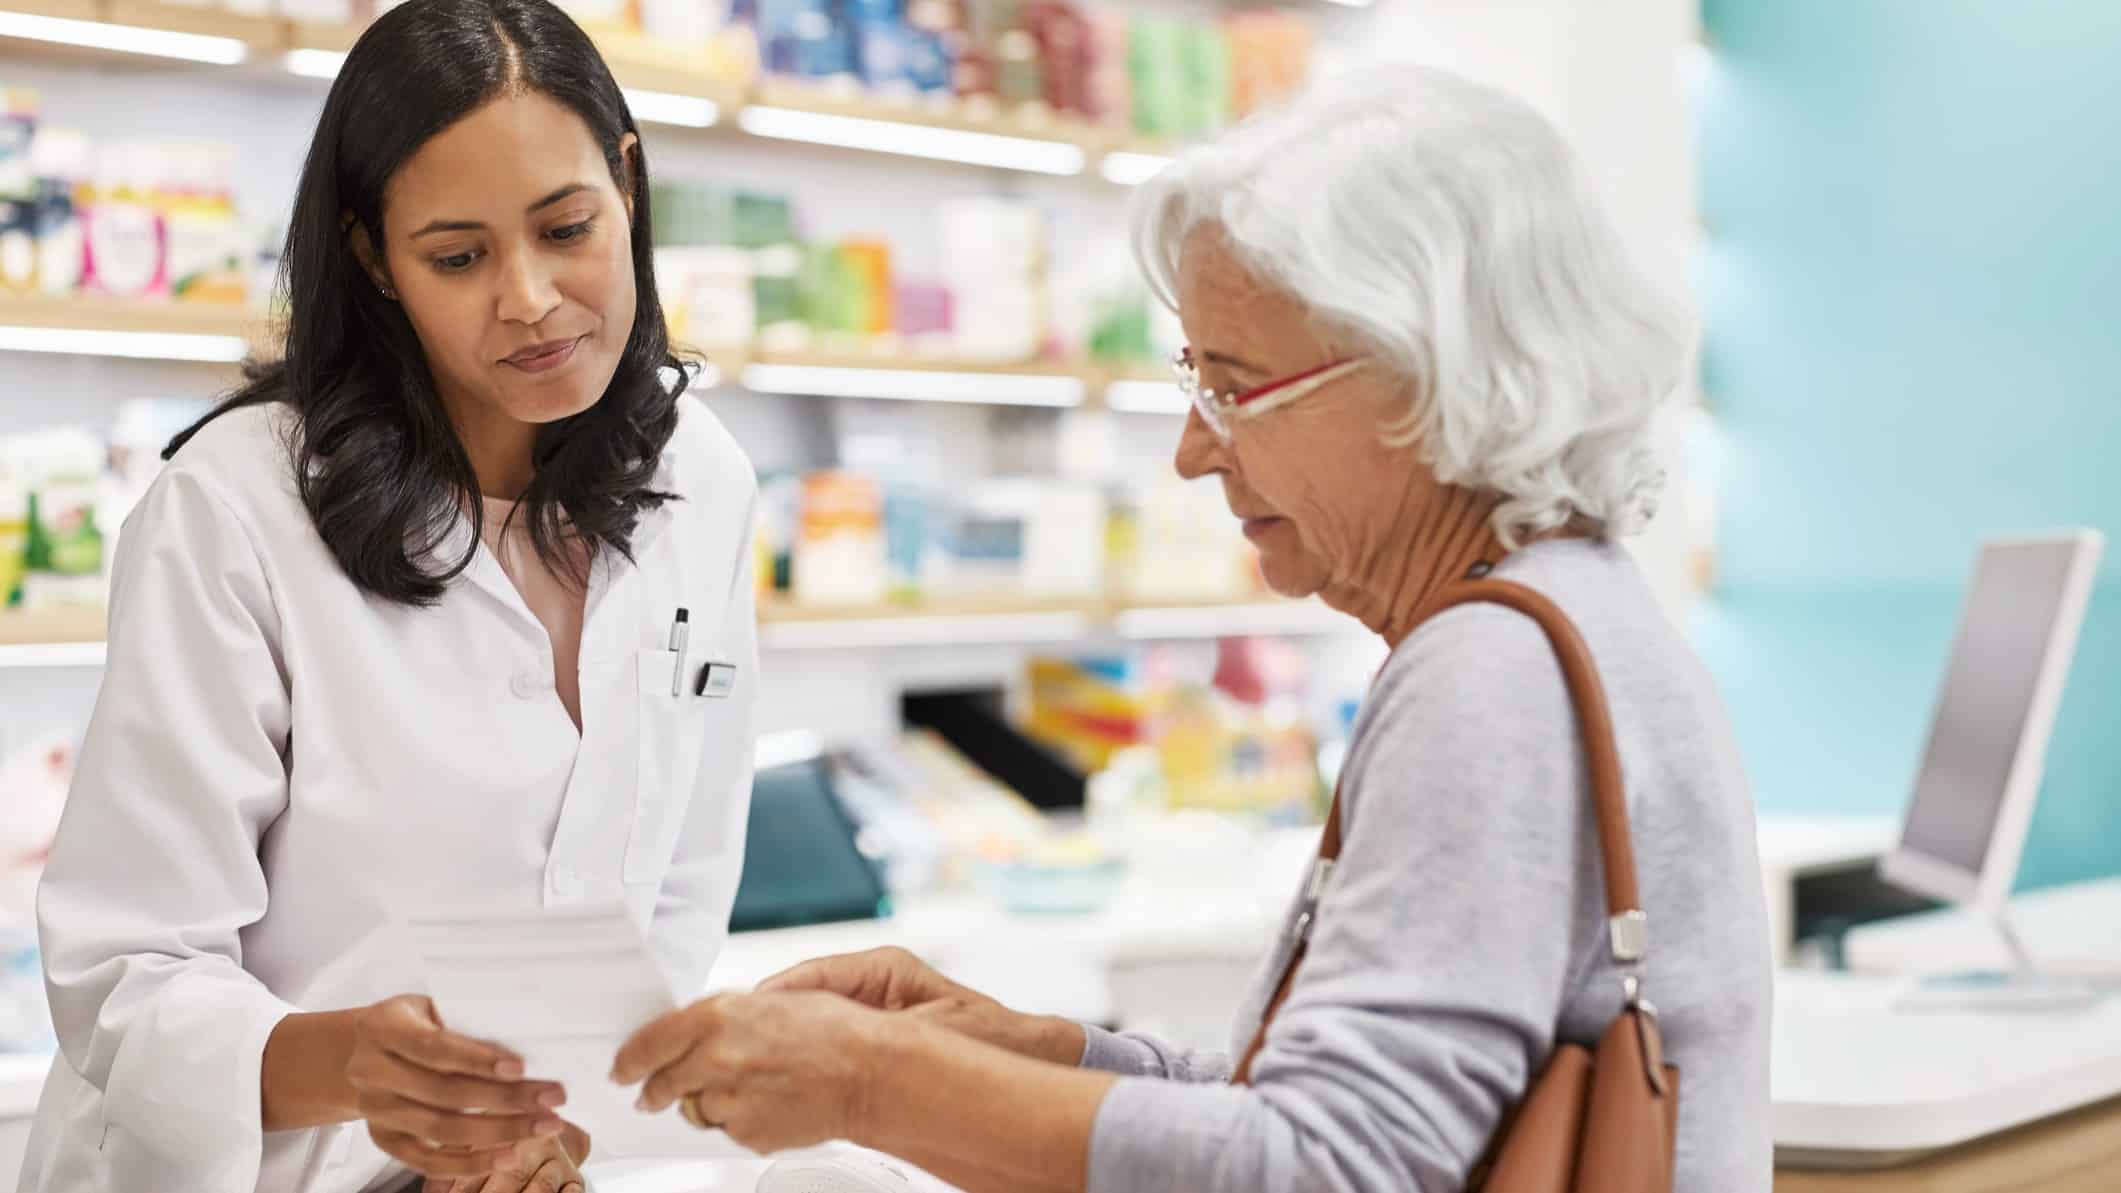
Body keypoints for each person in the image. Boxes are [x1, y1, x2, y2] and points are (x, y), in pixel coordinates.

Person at [607, 65, 1771, 1192]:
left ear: (1424, 377)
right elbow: (1338, 1112)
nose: (1195, 447)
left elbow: (1329, 1169)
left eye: (1235, 384)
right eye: (1192, 380)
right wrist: (1025, 1052)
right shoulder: (1577, 608)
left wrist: (877, 1082)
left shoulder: (1490, 671)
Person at [19, 2, 758, 1191]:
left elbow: (677, 888)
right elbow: (127, 966)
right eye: (458, 256)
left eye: (567, 227)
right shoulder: (238, 507)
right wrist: (347, 1063)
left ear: (628, 182)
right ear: (372, 257)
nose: (528, 296)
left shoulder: (703, 480)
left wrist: (561, 1128)